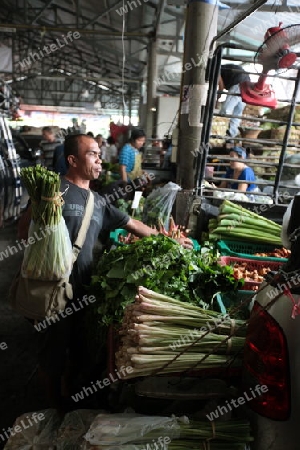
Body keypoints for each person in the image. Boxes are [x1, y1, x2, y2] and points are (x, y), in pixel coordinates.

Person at [18, 134, 193, 412]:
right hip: (53, 289)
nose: (99, 159)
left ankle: (69, 398)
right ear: (72, 160)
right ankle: (53, 409)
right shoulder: (53, 189)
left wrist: (170, 241)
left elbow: (133, 224)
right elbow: (22, 232)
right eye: (92, 154)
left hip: (83, 291)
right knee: (51, 356)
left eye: (100, 154)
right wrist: (41, 206)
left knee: (77, 349)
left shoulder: (97, 200)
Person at [218, 64, 250, 138]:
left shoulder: (214, 69)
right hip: (247, 84)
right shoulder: (223, 68)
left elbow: (221, 86)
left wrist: (217, 99)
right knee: (237, 113)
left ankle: (220, 133)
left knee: (225, 110)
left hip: (238, 83)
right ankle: (232, 135)